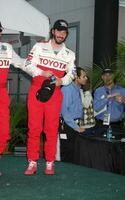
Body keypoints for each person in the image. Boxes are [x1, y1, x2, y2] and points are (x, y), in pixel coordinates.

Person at [24, 19, 76, 175]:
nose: (61, 34)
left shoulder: (69, 54)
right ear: (53, 31)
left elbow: (72, 73)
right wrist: (41, 72)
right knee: (34, 128)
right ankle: (32, 162)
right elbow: (27, 65)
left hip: (55, 94)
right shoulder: (39, 46)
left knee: (51, 130)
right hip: (36, 90)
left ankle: (50, 162)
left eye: (64, 32)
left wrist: (63, 80)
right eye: (58, 31)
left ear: (66, 34)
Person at [0, 22, 48, 176]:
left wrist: (40, 72)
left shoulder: (6, 48)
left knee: (3, 131)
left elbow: (21, 63)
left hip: (1, 94)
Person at [93, 68, 125, 135]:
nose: (107, 77)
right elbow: (95, 108)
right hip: (101, 125)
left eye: (110, 75)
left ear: (113, 76)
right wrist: (108, 97)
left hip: (117, 126)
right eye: (105, 75)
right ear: (102, 77)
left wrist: (123, 99)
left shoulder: (121, 90)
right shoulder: (98, 91)